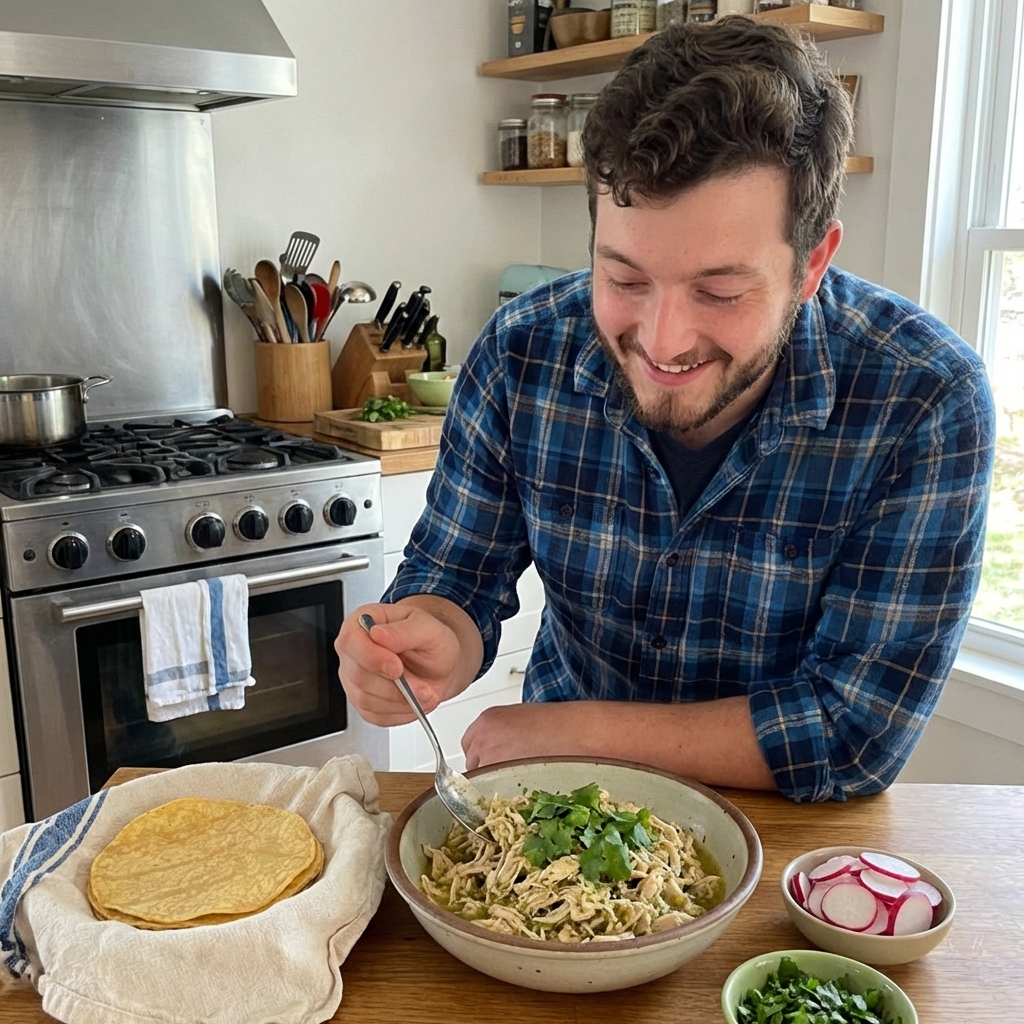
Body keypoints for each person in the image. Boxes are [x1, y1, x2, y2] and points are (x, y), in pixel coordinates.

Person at [336, 18, 995, 802]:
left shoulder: (925, 398)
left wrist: (572, 730)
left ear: (812, 262)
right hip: (562, 813)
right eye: (624, 278)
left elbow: (854, 732)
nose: (662, 341)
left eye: (719, 292)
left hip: (786, 829)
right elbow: (456, 573)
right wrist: (428, 636)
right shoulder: (523, 352)